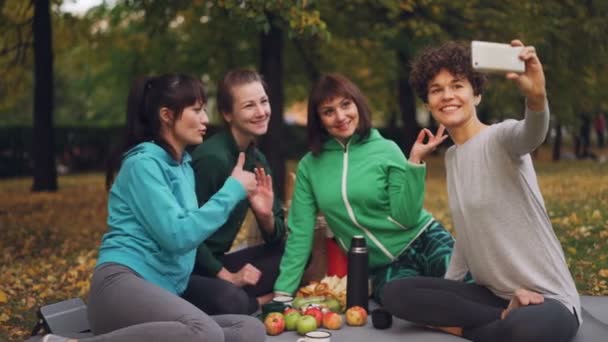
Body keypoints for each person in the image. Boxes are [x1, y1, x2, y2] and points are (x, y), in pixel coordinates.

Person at [381, 40, 580, 342]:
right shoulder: (452, 157)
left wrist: (537, 98)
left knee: (525, 329)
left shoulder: (501, 138)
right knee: (394, 292)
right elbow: (466, 232)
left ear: (476, 94)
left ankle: (469, 329)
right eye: (436, 89)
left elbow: (532, 132)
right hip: (491, 296)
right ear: (428, 104)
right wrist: (448, 290)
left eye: (457, 85)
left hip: (548, 299)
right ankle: (498, 319)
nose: (447, 95)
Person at [43, 74, 265, 342]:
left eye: (205, 109)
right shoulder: (142, 165)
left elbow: (191, 229)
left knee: (250, 329)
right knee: (204, 333)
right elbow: (178, 235)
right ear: (166, 115)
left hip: (165, 289)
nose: (206, 119)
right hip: (120, 287)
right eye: (197, 110)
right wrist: (232, 190)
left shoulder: (182, 166)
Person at [273, 73, 456, 303]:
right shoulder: (309, 167)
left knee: (465, 285)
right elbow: (300, 232)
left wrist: (415, 162)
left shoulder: (387, 149)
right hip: (380, 265)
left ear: (357, 104)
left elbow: (407, 217)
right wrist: (283, 292)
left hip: (424, 239)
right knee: (404, 301)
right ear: (319, 119)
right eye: (328, 111)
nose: (340, 116)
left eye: (345, 104)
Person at [189, 69, 286, 315]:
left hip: (218, 262)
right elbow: (185, 235)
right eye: (249, 106)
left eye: (263, 101)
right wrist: (229, 277)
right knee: (229, 300)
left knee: (293, 252)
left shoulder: (258, 160)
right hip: (189, 268)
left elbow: (276, 238)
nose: (261, 112)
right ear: (227, 114)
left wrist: (266, 218)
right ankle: (259, 301)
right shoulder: (212, 159)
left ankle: (239, 298)